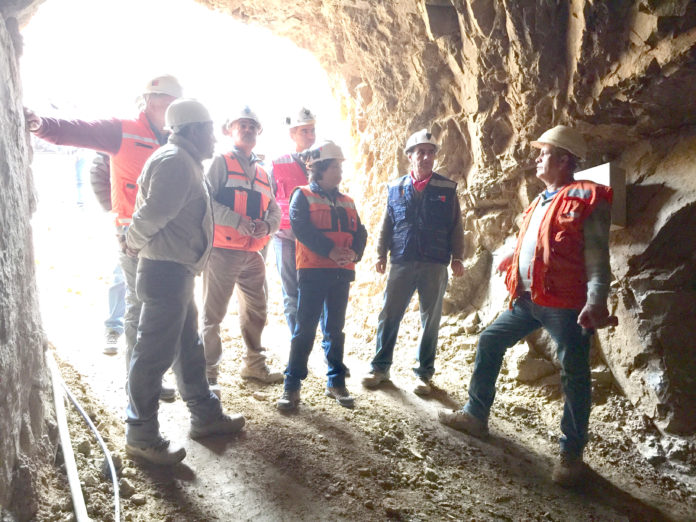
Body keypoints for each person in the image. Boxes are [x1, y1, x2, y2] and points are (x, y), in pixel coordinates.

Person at [438, 125, 613, 487]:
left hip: (566, 306)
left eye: (544, 153)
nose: (537, 158)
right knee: (489, 341)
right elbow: (532, 245)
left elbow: (598, 261)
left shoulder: (586, 198)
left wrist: (595, 301)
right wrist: (509, 259)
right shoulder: (539, 202)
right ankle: (475, 414)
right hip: (528, 301)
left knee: (575, 373)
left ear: (564, 160)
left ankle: (571, 455)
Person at [24, 75, 179, 398]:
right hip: (134, 233)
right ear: (150, 102)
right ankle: (138, 380)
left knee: (162, 307)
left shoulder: (174, 139)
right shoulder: (122, 130)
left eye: (175, 101)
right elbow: (80, 130)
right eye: (167, 101)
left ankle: (151, 374)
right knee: (140, 307)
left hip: (167, 233)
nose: (172, 107)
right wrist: (41, 125)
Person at [125, 98, 245, 465]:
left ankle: (204, 415)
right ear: (192, 130)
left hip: (175, 270)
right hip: (164, 271)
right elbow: (153, 214)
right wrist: (130, 242)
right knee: (153, 353)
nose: (214, 137)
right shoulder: (175, 161)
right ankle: (141, 434)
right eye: (209, 129)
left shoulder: (183, 160)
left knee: (186, 345)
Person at [361, 129, 465, 395]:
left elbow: (456, 226)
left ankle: (424, 374)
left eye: (431, 152)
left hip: (435, 263)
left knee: (430, 319)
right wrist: (380, 254)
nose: (426, 157)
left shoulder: (446, 188)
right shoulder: (395, 187)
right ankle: (380, 368)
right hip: (402, 261)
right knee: (389, 314)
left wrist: (458, 257)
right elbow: (387, 223)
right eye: (421, 152)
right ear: (410, 156)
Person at [277, 141, 367, 411]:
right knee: (304, 330)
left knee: (334, 330)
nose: (340, 171)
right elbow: (301, 229)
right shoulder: (302, 195)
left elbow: (360, 232)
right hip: (314, 272)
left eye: (339, 166)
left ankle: (336, 382)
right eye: (335, 166)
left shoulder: (348, 201)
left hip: (341, 272)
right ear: (320, 168)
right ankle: (291, 386)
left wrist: (355, 254)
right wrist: (331, 251)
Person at [202, 106, 282, 394]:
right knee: (213, 314)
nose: (247, 130)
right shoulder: (220, 163)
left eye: (252, 126)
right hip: (222, 249)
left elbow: (274, 209)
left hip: (253, 253)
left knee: (256, 310)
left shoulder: (263, 172)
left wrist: (268, 226)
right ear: (229, 130)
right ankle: (208, 373)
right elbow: (205, 202)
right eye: (241, 125)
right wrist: (237, 222)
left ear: (258, 132)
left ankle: (254, 365)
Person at [269, 107, 316, 335]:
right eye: (305, 131)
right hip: (284, 235)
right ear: (292, 134)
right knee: (290, 291)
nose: (310, 136)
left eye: (312, 131)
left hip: (312, 235)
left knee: (313, 289)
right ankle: (297, 343)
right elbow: (268, 198)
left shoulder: (321, 162)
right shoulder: (277, 164)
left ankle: (314, 339)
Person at [89, 153, 125, 355]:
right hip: (126, 220)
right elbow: (98, 170)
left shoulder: (166, 136)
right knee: (121, 275)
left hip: (158, 220)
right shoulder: (123, 132)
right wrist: (112, 207)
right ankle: (113, 327)